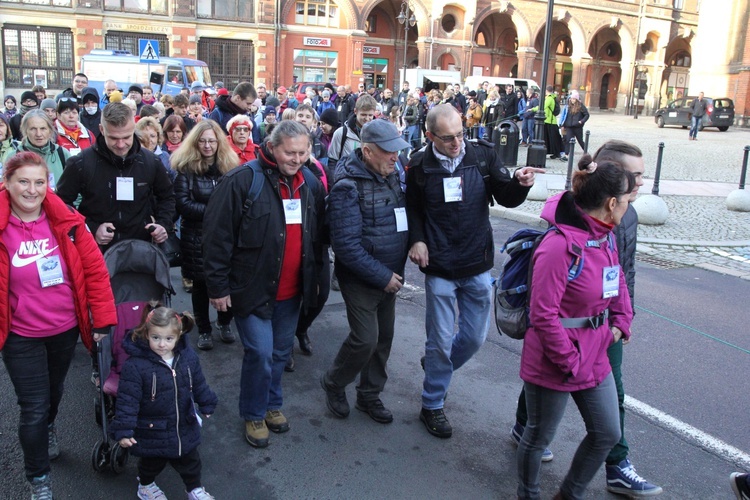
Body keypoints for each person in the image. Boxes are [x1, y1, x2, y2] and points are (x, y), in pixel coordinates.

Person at [510, 140, 661, 496]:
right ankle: (528, 495)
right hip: (557, 356)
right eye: (625, 198)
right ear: (611, 203)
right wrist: (568, 359)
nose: (629, 203)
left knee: (607, 432)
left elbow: (618, 278)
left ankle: (569, 495)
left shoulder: (605, 234)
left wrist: (622, 321)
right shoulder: (558, 246)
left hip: (594, 351)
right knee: (537, 436)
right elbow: (542, 315)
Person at [405, 104, 542, 438]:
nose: (457, 143)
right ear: (430, 136)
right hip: (438, 266)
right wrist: (417, 240)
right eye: (449, 138)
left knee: (475, 337)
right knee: (438, 340)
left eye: (461, 134)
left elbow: (506, 196)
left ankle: (439, 366)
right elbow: (413, 210)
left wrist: (520, 184)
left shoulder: (481, 156)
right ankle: (432, 403)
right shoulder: (419, 166)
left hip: (476, 262)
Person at [0, 151, 116, 499]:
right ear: (7, 183)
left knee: (54, 393)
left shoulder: (67, 222)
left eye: (39, 182)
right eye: (23, 181)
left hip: (64, 328)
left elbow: (95, 273)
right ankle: (39, 479)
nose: (32, 190)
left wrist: (104, 321)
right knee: (32, 406)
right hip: (20, 335)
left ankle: (49, 425)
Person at [202, 120, 325, 448]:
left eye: (302, 152)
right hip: (252, 288)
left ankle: (272, 405)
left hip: (290, 291)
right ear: (271, 147)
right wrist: (217, 287)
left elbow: (316, 240)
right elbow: (216, 237)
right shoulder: (242, 180)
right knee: (260, 352)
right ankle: (254, 413)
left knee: (281, 351)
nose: (296, 159)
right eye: (289, 152)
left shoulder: (310, 184)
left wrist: (316, 283)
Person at [320, 119, 410, 424]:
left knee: (384, 338)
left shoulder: (392, 173)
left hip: (391, 273)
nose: (395, 157)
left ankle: (369, 395)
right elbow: (346, 247)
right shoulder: (348, 187)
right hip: (364, 278)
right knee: (365, 339)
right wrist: (383, 277)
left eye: (397, 150)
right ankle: (334, 382)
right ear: (368, 151)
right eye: (388, 152)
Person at [111, 304, 218, 500]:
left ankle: (194, 488)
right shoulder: (135, 366)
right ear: (146, 334)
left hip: (183, 422)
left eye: (169, 339)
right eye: (156, 338)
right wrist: (124, 430)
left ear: (178, 336)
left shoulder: (187, 357)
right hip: (153, 427)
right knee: (152, 461)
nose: (162, 344)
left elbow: (198, 382)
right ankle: (146, 485)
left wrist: (206, 402)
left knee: (191, 460)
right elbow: (128, 401)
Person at [56, 102, 175, 251]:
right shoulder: (81, 163)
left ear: (134, 129)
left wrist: (162, 224)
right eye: (113, 138)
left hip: (141, 249)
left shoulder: (151, 161)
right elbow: (61, 203)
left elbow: (168, 197)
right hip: (96, 250)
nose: (120, 144)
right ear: (101, 130)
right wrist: (90, 227)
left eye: (126, 137)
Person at [173, 120, 240, 350]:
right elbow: (183, 204)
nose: (208, 145)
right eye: (202, 141)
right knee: (200, 286)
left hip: (224, 237)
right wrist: (216, 211)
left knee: (228, 281)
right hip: (196, 237)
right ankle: (204, 329)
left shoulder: (230, 168)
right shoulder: (186, 169)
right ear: (195, 142)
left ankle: (224, 322)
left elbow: (237, 201)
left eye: (212, 140)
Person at [3, 110, 70, 189]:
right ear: (25, 131)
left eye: (43, 128)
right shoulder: (13, 157)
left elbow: (75, 187)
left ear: (50, 130)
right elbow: (5, 188)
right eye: (33, 129)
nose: (38, 134)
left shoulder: (62, 154)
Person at [328, 94, 377, 165]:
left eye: (370, 115)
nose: (367, 119)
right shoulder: (341, 133)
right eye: (363, 115)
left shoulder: (379, 134)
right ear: (355, 111)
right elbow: (332, 162)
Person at [561, 90, 590, 155]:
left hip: (577, 126)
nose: (572, 100)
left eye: (573, 99)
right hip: (569, 126)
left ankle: (586, 152)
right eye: (571, 98)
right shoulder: (568, 106)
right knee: (568, 140)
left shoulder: (581, 106)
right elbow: (565, 115)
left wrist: (581, 121)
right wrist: (563, 124)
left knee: (580, 141)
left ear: (576, 99)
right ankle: (566, 155)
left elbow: (587, 115)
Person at [543, 86, 567, 162]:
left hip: (549, 121)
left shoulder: (549, 98)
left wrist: (532, 109)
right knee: (552, 138)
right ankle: (555, 152)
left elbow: (542, 107)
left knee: (551, 138)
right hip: (550, 121)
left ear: (546, 91)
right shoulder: (553, 97)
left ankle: (555, 152)